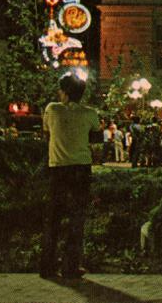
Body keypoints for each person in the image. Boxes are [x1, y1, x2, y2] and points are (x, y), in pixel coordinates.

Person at [39, 73, 100, 279]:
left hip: (58, 168)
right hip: (81, 169)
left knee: (53, 218)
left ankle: (47, 266)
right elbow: (96, 138)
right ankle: (70, 266)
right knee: (77, 218)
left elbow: (46, 133)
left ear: (64, 93)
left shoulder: (51, 109)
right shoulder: (90, 113)